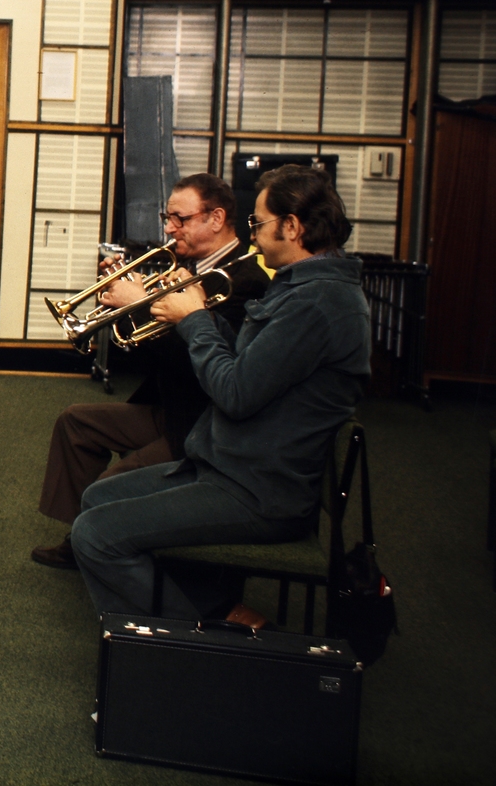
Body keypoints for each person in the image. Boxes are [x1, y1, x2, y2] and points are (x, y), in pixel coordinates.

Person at [69, 164, 371, 622]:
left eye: (258, 223)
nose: (252, 234)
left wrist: (194, 320)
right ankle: (213, 611)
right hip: (228, 463)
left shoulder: (318, 302)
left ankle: (185, 637)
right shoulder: (299, 288)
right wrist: (186, 316)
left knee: (94, 534)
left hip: (259, 489)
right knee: (95, 500)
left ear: (292, 227)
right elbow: (250, 366)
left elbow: (234, 392)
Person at [31, 173, 268, 569]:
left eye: (180, 218)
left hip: (201, 423)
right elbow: (148, 350)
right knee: (75, 422)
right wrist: (124, 299)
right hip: (168, 404)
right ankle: (82, 536)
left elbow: (207, 365)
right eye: (167, 216)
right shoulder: (186, 265)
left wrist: (141, 304)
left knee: (110, 487)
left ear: (216, 218)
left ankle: (92, 542)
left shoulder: (244, 281)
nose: (169, 227)